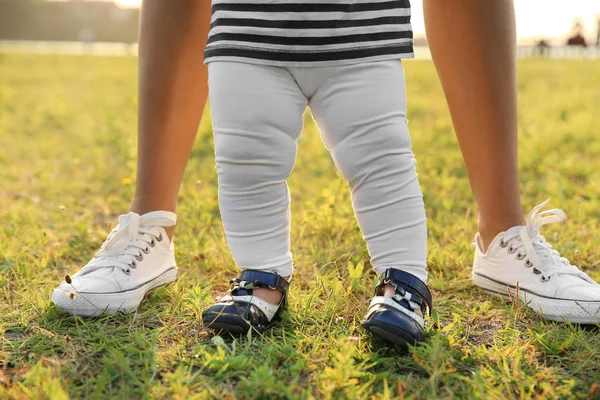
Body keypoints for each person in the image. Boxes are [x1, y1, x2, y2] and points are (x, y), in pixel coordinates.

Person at [52, 0, 600, 348]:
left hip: (359, 31)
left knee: (382, 160)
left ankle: (415, 278)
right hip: (247, 32)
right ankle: (252, 277)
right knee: (247, 163)